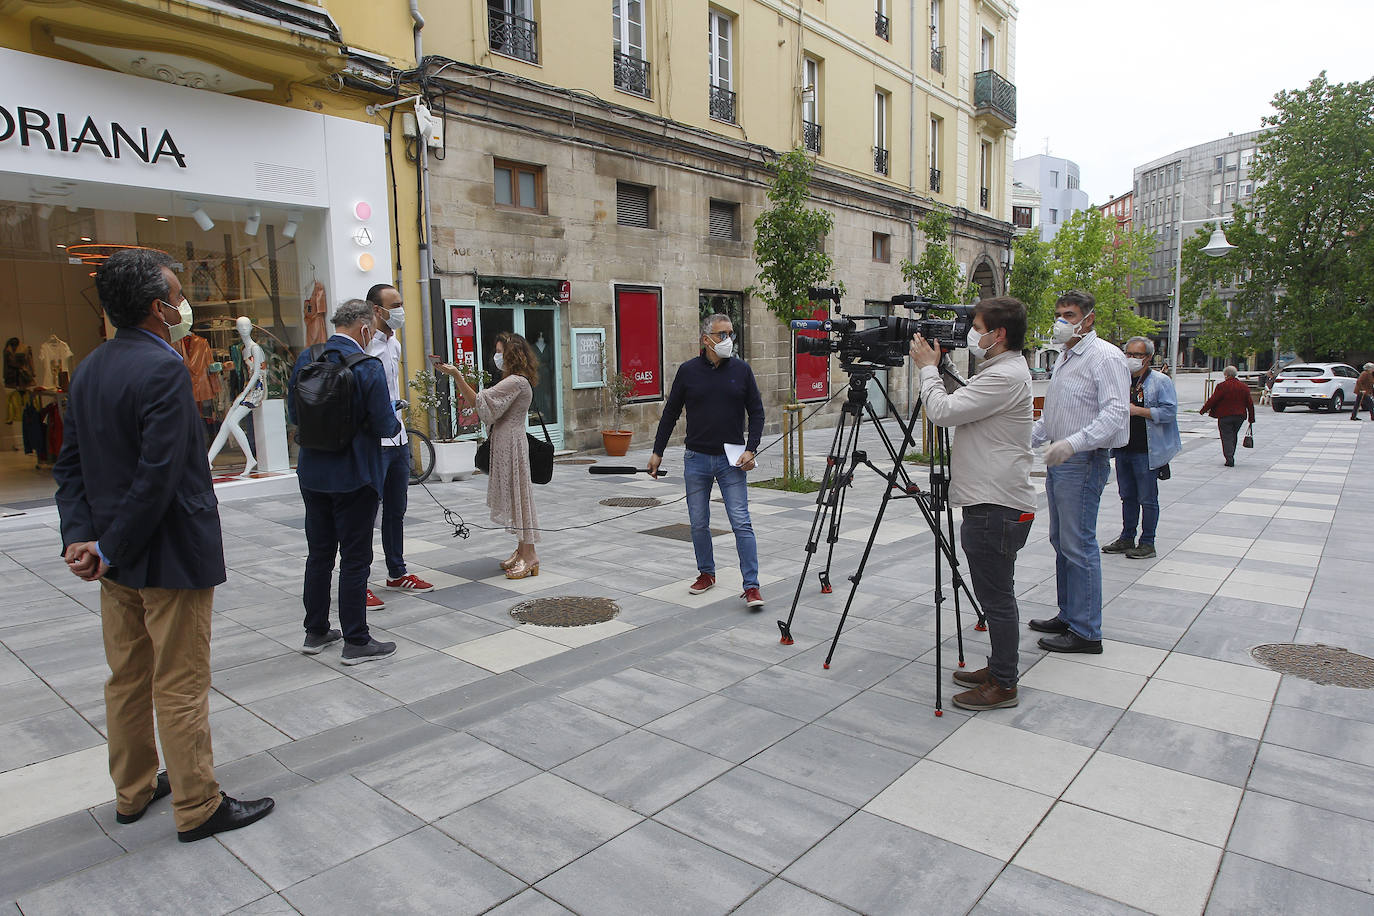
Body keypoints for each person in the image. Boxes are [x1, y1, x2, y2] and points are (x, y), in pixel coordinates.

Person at [53, 248, 274, 843]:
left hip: (115, 561)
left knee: (127, 678)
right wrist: (110, 545)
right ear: (157, 307)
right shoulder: (165, 368)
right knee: (178, 682)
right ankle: (198, 804)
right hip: (167, 553)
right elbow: (161, 474)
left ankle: (133, 789)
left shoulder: (92, 368)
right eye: (177, 294)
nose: (184, 304)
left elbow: (69, 466)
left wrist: (85, 539)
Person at [910, 297, 1035, 710]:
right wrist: (942, 370)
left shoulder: (1005, 375)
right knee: (996, 594)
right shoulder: (1000, 371)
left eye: (977, 326)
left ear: (997, 334)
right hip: (993, 500)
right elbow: (968, 407)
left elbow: (943, 412)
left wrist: (928, 369)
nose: (971, 334)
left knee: (997, 598)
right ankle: (1000, 668)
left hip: (995, 504)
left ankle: (1004, 683)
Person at [288, 299, 400, 664]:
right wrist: (394, 419)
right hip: (355, 474)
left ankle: (316, 630)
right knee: (355, 558)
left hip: (312, 473)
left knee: (319, 554)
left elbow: (294, 413)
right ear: (365, 329)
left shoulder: (307, 357)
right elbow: (386, 425)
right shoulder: (366, 367)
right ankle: (356, 639)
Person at [1028, 290, 1130, 655]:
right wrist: (1031, 438)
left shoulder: (1105, 357)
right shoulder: (1067, 357)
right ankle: (1069, 613)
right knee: (1061, 541)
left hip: (1083, 460)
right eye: (1058, 314)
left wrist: (1074, 443)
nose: (1061, 321)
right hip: (1062, 458)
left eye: (1068, 314)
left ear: (1088, 319)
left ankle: (1087, 631)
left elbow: (1116, 413)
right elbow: (1054, 412)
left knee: (1078, 543)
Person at [647, 313, 766, 609]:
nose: (728, 340)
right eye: (722, 334)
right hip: (696, 458)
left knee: (741, 522)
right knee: (698, 523)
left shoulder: (742, 370)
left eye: (731, 334)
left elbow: (758, 412)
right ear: (706, 339)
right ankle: (706, 573)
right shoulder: (688, 372)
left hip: (732, 460)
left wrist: (751, 449)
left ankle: (751, 586)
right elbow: (671, 413)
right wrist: (657, 451)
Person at [439, 332, 542, 578]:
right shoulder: (519, 380)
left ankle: (530, 555)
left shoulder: (515, 381)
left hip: (511, 444)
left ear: (511, 354)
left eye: (500, 352)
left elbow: (478, 402)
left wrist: (456, 376)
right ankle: (522, 550)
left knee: (519, 499)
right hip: (510, 442)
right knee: (518, 497)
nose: (496, 357)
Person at [365, 284, 433, 600]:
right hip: (374, 441)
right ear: (377, 310)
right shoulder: (366, 348)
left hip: (399, 437)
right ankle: (358, 580)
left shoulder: (394, 346)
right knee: (364, 512)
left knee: (396, 509)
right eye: (396, 305)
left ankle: (397, 571)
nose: (401, 310)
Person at [1101, 337, 1181, 560]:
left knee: (1147, 497)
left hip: (1147, 450)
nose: (1131, 359)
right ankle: (1127, 537)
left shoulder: (1160, 382)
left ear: (1148, 358)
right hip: (1123, 448)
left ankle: (1147, 542)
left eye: (1137, 355)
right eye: (1128, 354)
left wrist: (1140, 411)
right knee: (1127, 496)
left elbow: (1169, 412)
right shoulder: (1121, 380)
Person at [1198, 366, 1255, 466]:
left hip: (1225, 415)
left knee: (1226, 436)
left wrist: (1203, 410)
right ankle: (1231, 453)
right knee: (1233, 435)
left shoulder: (1222, 386)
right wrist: (1251, 418)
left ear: (1226, 375)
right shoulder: (1244, 387)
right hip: (1240, 416)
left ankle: (1229, 458)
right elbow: (1250, 403)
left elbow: (1213, 399)